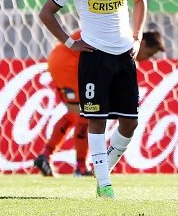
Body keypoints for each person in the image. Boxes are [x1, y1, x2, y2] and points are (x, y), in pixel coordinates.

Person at [39, 0, 147, 199]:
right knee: (95, 121)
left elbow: (140, 1)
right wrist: (70, 42)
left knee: (130, 122)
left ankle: (103, 173)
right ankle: (105, 185)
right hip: (95, 58)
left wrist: (137, 37)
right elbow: (47, 13)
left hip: (124, 56)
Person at [34, 30, 165, 177]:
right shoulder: (125, 38)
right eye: (148, 54)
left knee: (75, 113)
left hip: (60, 60)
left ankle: (46, 155)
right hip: (71, 63)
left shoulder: (118, 29)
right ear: (144, 42)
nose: (147, 59)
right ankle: (81, 167)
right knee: (87, 113)